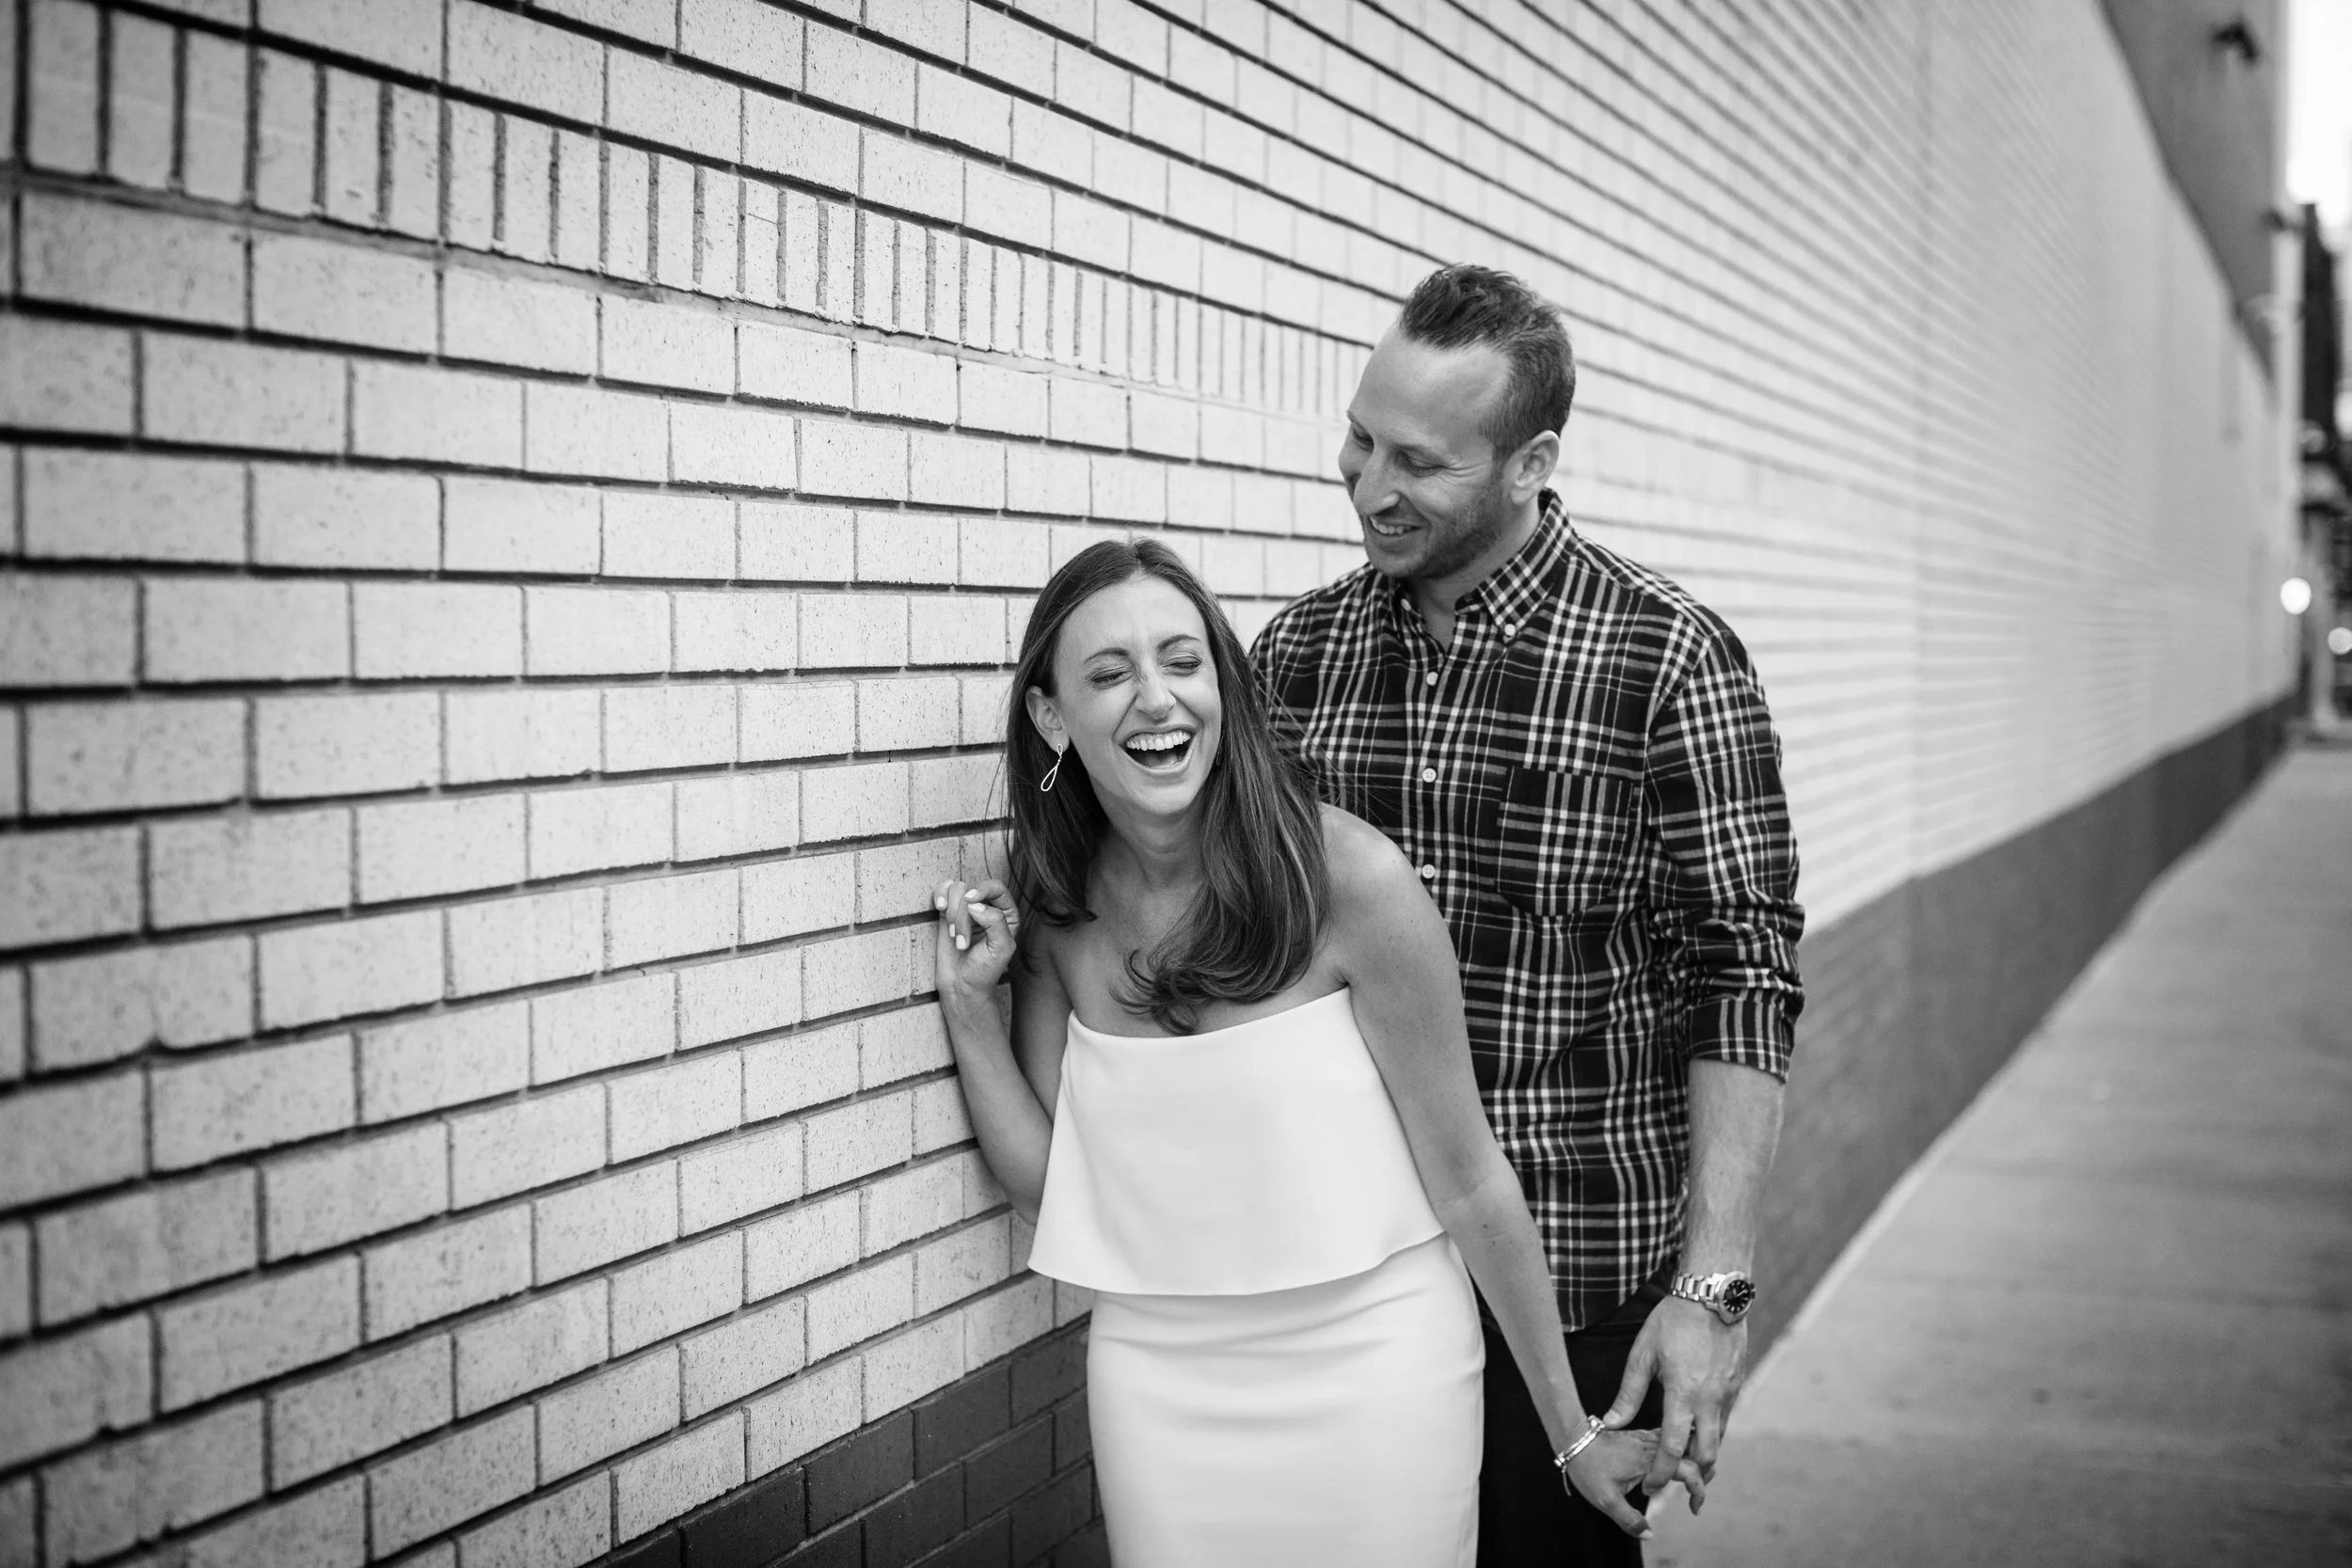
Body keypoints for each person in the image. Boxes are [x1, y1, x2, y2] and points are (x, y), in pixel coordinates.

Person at [931, 539, 1702, 1566]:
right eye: (1109, 674)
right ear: (1050, 715)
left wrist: (1570, 1429)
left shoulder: (1347, 877)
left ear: (1223, 684)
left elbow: (1470, 1178)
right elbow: (1047, 1178)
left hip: (1375, 1368)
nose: (1155, 699)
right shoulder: (1057, 899)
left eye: (1183, 659)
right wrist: (973, 1008)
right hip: (1157, 1375)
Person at [1250, 263, 1805, 1566]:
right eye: (1361, 436)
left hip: (1567, 1283)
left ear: (1529, 460)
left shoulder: (1667, 656)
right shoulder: (1297, 657)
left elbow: (1746, 970)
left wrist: (1710, 1289)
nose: (1369, 483)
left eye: (1421, 461)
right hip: (1346, 1275)